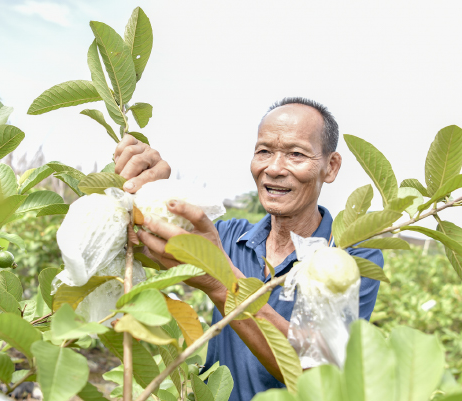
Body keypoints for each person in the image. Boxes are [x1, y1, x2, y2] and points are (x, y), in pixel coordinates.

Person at [114, 97, 383, 401]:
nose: (274, 168)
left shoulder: (347, 258)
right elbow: (139, 244)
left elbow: (317, 374)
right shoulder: (229, 237)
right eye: (264, 151)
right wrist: (147, 192)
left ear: (330, 166)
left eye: (296, 154)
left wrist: (220, 281)